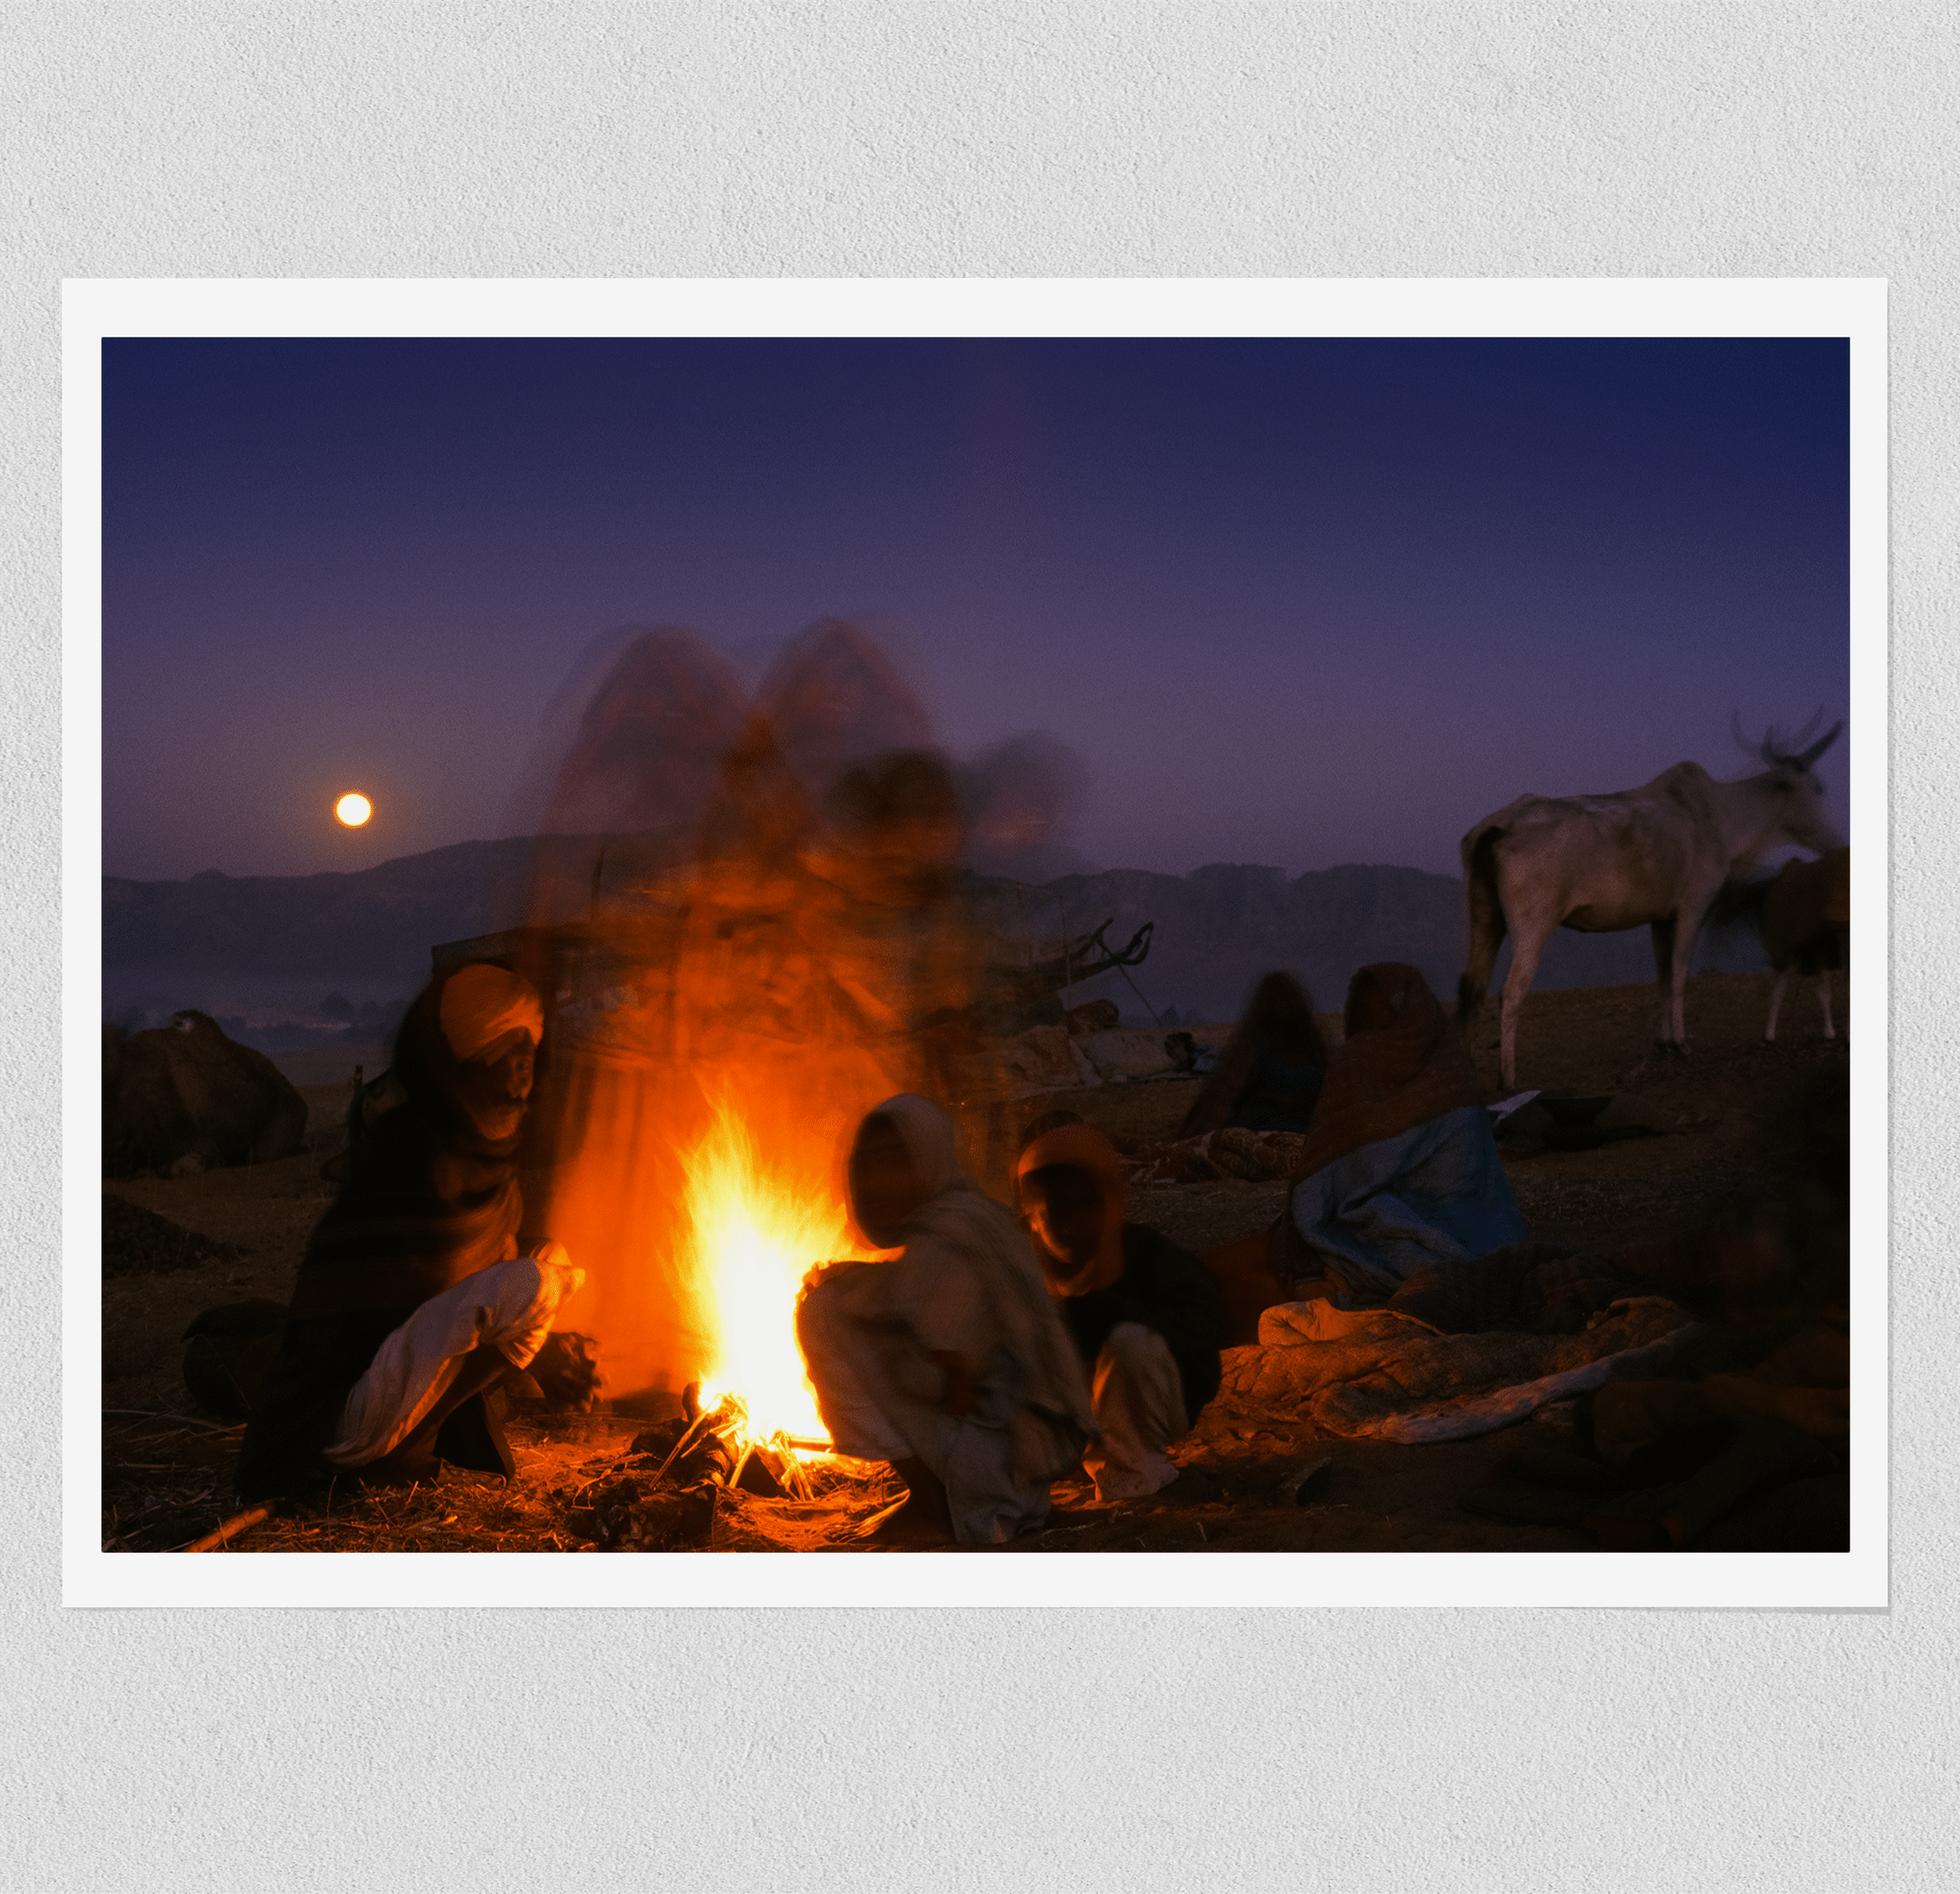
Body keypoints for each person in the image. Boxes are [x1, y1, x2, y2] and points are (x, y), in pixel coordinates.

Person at [235, 964, 598, 1504]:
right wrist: (536, 1344)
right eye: (506, 1046)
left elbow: (463, 1286)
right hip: (337, 1417)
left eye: (530, 1046)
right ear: (464, 1064)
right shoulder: (416, 1160)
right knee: (534, 1284)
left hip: (388, 1380)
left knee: (548, 1256)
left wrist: (537, 1336)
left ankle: (425, 1427)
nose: (525, 1062)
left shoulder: (479, 1158)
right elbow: (415, 1301)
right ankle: (406, 1445)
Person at [796, 1095, 1095, 1546]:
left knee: (821, 1313)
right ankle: (974, 1500)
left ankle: (936, 1506)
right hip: (1030, 1457)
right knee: (846, 1297)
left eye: (894, 1160)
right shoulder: (971, 1218)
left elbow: (952, 1380)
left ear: (928, 1156)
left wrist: (839, 1297)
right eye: (867, 1163)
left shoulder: (945, 1242)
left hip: (996, 1470)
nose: (875, 1181)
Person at [1275, 960, 1526, 1305]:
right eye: (1368, 1009)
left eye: (1384, 1008)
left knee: (1330, 1220)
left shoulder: (1358, 1060)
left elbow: (1329, 1174)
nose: (1376, 1018)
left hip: (1441, 1216)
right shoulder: (1453, 1064)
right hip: (1482, 1229)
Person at [1016, 1123, 1227, 1501]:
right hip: (1057, 1416)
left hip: (1150, 1407)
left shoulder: (1149, 1257)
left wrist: (1109, 1314)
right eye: (1057, 1207)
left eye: (1086, 1203)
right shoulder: (1016, 1270)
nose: (1072, 1220)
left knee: (1132, 1341)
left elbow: (1206, 1326)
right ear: (1031, 1214)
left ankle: (1132, 1471)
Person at [1176, 970, 1330, 1139]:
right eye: (1278, 998)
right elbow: (1223, 1094)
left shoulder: (1315, 1047)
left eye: (1289, 997)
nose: (1284, 1004)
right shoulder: (1251, 1047)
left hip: (1309, 1127)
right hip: (1260, 1128)